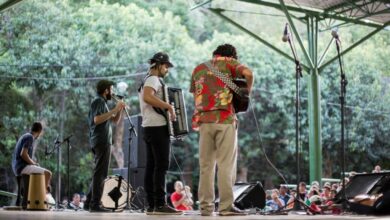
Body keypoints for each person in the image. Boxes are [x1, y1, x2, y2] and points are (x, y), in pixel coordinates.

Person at [190, 44, 254, 216]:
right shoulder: (230, 63)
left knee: (206, 166)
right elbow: (248, 74)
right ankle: (225, 208)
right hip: (225, 119)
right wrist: (247, 93)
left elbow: (195, 94)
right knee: (226, 165)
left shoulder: (199, 68)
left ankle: (205, 207)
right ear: (232, 56)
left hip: (204, 121)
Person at [138, 52, 182, 215]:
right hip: (157, 127)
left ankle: (151, 205)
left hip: (148, 126)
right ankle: (160, 204)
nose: (167, 70)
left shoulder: (146, 80)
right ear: (158, 64)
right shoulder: (153, 79)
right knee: (161, 166)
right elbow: (148, 97)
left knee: (152, 167)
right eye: (166, 66)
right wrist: (169, 107)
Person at [84, 79, 126, 212]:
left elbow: (114, 120)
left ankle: (89, 203)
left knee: (100, 172)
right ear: (106, 90)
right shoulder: (98, 101)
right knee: (100, 174)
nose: (112, 92)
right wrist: (115, 108)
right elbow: (97, 119)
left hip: (104, 141)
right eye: (111, 89)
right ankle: (95, 204)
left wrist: (119, 110)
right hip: (100, 140)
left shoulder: (103, 103)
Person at [12, 122, 52, 193]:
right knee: (48, 173)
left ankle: (33, 195)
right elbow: (23, 154)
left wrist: (34, 163)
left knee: (39, 171)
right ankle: (44, 195)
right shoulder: (30, 137)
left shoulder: (26, 136)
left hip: (17, 166)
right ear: (40, 131)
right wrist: (33, 163)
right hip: (21, 167)